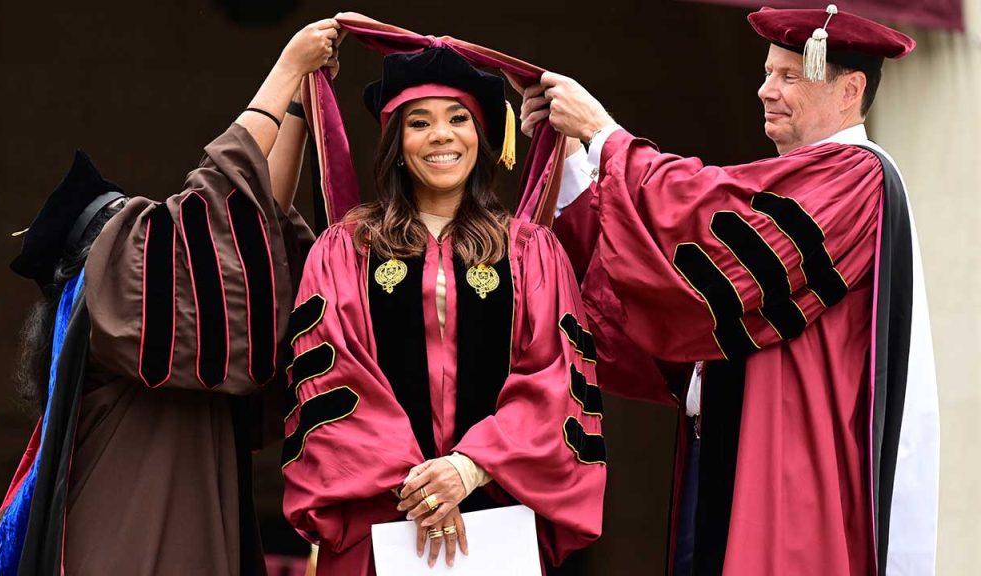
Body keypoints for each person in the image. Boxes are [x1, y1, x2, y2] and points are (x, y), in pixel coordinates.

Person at [522, 5, 938, 576]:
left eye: (790, 76)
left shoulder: (857, 177)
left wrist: (603, 134)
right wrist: (574, 161)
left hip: (787, 472)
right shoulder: (796, 182)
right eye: (767, 73)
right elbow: (677, 287)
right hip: (723, 448)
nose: (766, 90)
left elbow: (703, 217)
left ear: (851, 89)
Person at [0, 19, 339, 575]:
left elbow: (250, 240)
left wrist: (296, 118)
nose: (153, 242)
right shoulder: (116, 319)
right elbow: (207, 222)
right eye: (132, 230)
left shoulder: (174, 336)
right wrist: (285, 71)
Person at [280, 47, 606, 575]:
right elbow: (329, 377)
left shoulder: (530, 251)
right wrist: (421, 487)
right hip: (381, 526)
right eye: (419, 122)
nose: (441, 135)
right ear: (396, 142)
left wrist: (470, 467)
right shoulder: (346, 249)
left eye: (459, 119)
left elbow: (556, 377)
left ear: (482, 136)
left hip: (498, 525)